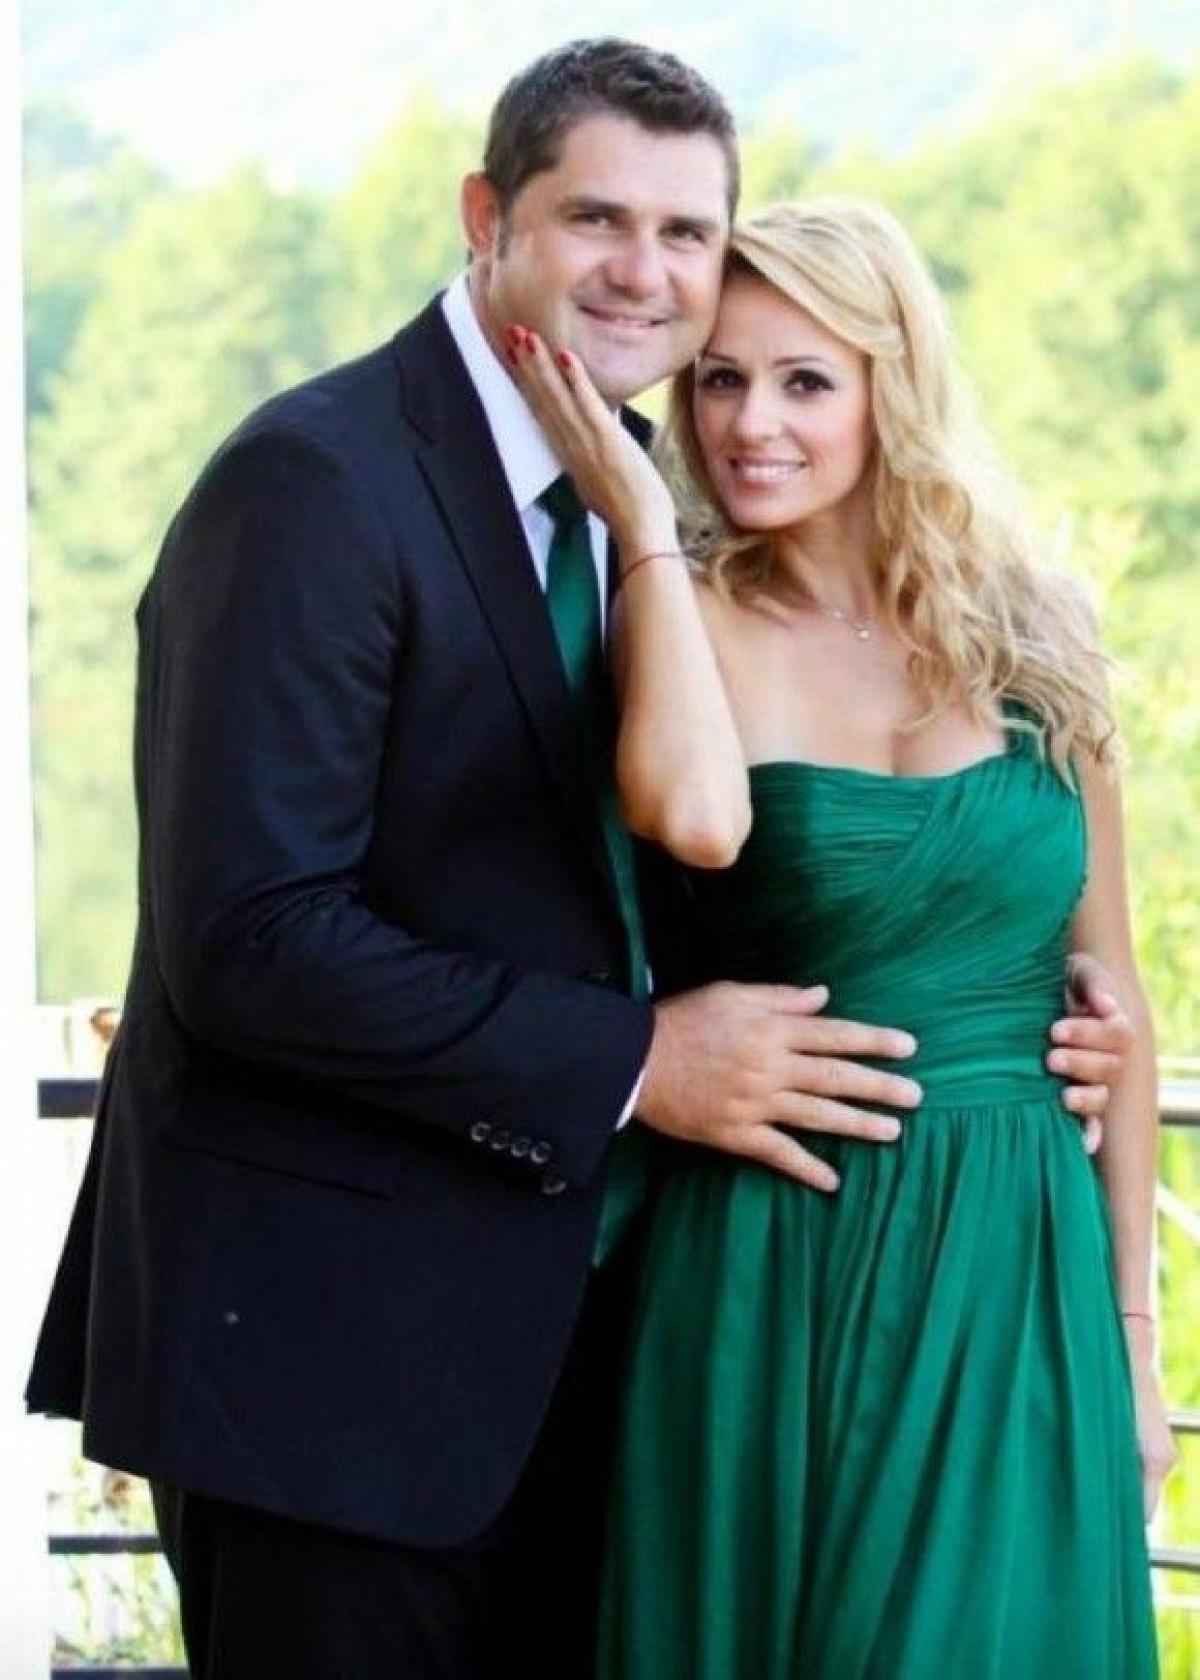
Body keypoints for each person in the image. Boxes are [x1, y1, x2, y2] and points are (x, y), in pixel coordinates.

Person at [26, 41, 1131, 1680]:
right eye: (596, 218)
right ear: (488, 219)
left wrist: (1028, 1011)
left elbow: (670, 876)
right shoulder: (315, 482)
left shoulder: (634, 515)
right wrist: (641, 1062)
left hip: (601, 1354)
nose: (644, 271)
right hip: (330, 1371)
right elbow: (250, 936)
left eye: (686, 232)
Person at [506, 196, 1173, 1678]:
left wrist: (1132, 1340)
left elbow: (1115, 992)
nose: (752, 425)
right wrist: (641, 528)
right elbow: (692, 819)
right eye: (720, 381)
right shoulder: (676, 612)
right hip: (776, 1250)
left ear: (891, 387)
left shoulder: (1040, 634)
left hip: (1018, 1264)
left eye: (805, 380)